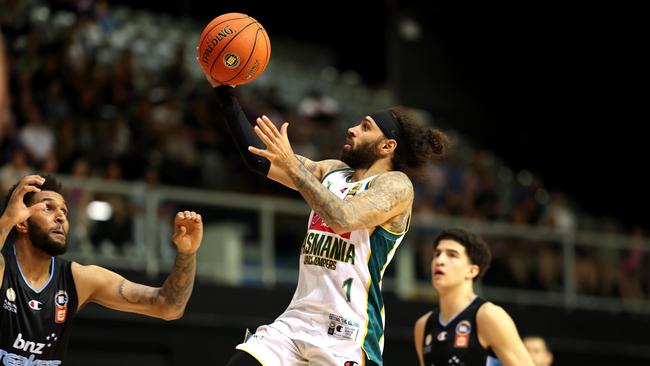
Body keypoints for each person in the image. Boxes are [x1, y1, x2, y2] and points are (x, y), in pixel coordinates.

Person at [199, 70, 448, 365]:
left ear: (387, 146)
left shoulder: (395, 185)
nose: (352, 129)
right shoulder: (330, 171)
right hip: (295, 322)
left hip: (346, 333)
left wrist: (294, 167)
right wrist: (225, 94)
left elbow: (343, 217)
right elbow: (256, 158)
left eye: (365, 127)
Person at [1, 174, 203, 364]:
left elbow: (168, 306)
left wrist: (187, 253)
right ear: (22, 222)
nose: (60, 217)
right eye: (48, 208)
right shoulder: (4, 267)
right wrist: (7, 221)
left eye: (64, 211)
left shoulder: (78, 278)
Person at [413, 228, 534, 366]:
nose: (440, 260)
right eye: (437, 254)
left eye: (452, 255)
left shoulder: (488, 316)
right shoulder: (423, 326)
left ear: (472, 271)